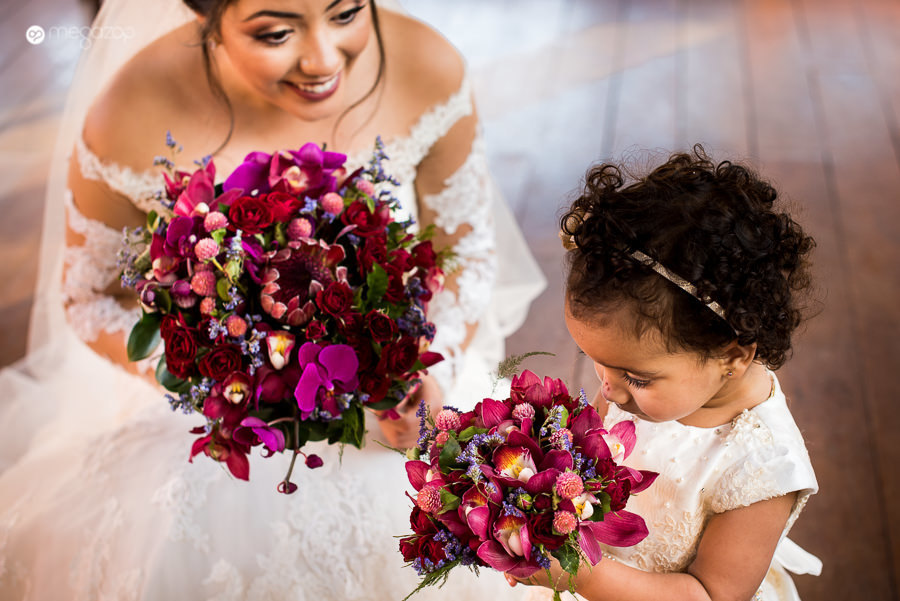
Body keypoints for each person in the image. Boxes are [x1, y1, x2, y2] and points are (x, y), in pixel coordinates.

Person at [0, 0, 544, 598]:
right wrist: (212, 378)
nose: (323, 59)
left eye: (346, 13)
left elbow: (465, 252)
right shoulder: (128, 111)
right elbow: (88, 297)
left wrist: (422, 375)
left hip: (398, 395)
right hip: (219, 417)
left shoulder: (426, 65)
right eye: (277, 32)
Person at [511, 148, 821, 601]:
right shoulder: (637, 377)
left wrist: (581, 576)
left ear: (732, 357)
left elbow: (710, 594)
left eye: (636, 378)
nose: (608, 390)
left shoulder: (763, 467)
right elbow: (583, 455)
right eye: (595, 360)